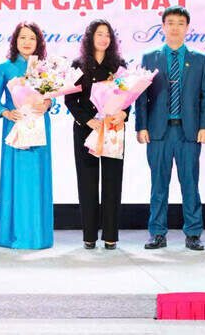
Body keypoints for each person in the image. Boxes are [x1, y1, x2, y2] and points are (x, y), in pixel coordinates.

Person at [135, 6, 205, 251]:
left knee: (190, 183)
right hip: (159, 131)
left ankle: (193, 233)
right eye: (170, 23)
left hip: (188, 132)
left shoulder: (200, 59)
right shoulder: (150, 57)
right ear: (163, 27)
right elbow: (140, 96)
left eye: (180, 23)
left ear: (188, 28)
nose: (175, 27)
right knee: (158, 184)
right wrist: (141, 126)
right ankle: (157, 233)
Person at [64, 19, 128, 250]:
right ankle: (89, 235)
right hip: (86, 128)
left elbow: (127, 95)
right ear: (90, 37)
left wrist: (124, 113)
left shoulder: (119, 64)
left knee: (112, 181)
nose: (103, 38)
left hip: (112, 128)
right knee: (87, 181)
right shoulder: (78, 64)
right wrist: (87, 120)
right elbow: (69, 98)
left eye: (107, 35)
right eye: (99, 34)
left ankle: (110, 235)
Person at [0, 22, 54, 249]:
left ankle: (38, 235)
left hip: (39, 127)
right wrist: (5, 112)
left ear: (38, 43)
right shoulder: (5, 68)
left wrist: (48, 102)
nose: (27, 43)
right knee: (16, 179)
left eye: (32, 39)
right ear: (15, 42)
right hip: (15, 127)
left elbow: (53, 94)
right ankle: (13, 235)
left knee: (37, 179)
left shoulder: (45, 68)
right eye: (22, 38)